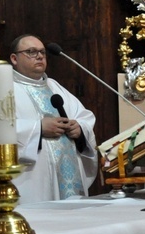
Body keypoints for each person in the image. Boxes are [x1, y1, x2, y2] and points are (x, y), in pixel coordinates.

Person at [9, 34, 97, 203]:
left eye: (42, 52)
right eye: (31, 52)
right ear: (14, 58)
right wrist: (38, 128)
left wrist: (79, 128)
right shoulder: (3, 89)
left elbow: (84, 117)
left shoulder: (55, 87)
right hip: (34, 183)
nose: (40, 56)